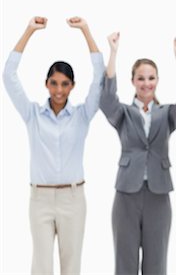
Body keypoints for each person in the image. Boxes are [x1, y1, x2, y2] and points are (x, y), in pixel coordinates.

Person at [2, 16, 104, 274]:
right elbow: (9, 75)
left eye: (65, 84)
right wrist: (29, 31)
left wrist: (85, 30)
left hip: (73, 198)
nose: (59, 90)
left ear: (72, 86)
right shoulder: (32, 114)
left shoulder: (82, 115)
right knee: (42, 267)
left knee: (71, 267)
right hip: (40, 200)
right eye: (54, 83)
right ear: (46, 84)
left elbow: (100, 77)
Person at [99, 32, 176, 275]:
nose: (146, 83)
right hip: (126, 194)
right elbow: (106, 101)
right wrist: (113, 52)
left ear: (158, 80)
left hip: (158, 194)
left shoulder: (166, 114)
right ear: (133, 81)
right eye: (141, 78)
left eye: (151, 78)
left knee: (156, 263)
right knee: (125, 261)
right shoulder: (124, 113)